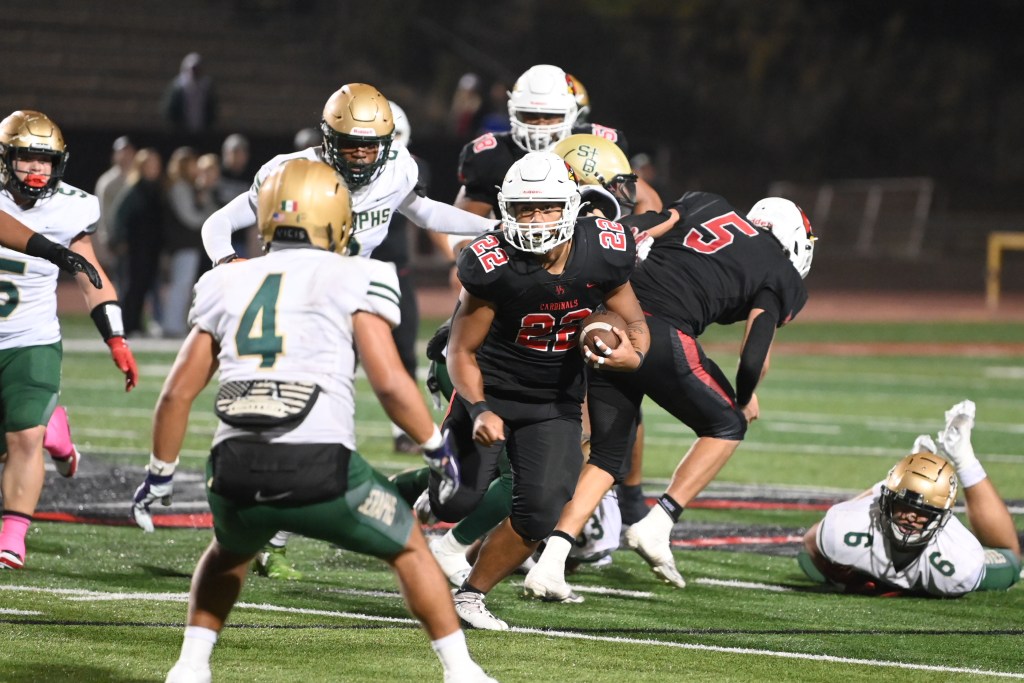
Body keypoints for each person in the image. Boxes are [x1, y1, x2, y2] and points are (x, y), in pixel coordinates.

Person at [129, 158, 495, 683]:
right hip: (319, 467)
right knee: (411, 549)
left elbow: (175, 394)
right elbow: (391, 383)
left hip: (232, 469)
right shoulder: (359, 274)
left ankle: (189, 666)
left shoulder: (224, 281)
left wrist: (160, 474)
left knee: (228, 551)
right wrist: (438, 450)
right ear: (338, 217)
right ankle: (462, 671)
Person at [200, 83, 495, 578]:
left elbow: (423, 211)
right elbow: (217, 224)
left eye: (370, 146)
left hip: (348, 299)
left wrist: (489, 227)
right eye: (350, 144)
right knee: (290, 414)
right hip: (299, 306)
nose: (360, 156)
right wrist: (227, 263)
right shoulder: (292, 172)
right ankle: (256, 529)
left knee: (336, 415)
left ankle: (271, 534)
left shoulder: (398, 167)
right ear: (327, 138)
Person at [522, 193, 815, 599]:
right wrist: (745, 396)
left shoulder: (708, 204)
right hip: (660, 331)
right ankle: (657, 525)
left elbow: (637, 227)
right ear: (796, 240)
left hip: (608, 319)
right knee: (728, 424)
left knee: (607, 456)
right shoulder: (780, 271)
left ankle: (550, 564)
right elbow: (753, 357)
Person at [437, 151, 650, 630]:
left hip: (553, 399)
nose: (535, 220)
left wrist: (632, 356)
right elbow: (461, 351)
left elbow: (634, 323)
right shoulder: (493, 262)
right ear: (505, 209)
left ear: (571, 206)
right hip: (491, 389)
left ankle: (470, 596)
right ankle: (428, 484)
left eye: (547, 207)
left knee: (541, 510)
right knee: (455, 502)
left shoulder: (603, 249)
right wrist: (479, 408)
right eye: (524, 209)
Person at [0, 110, 138, 570]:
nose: (37, 170)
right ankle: (55, 429)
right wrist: (51, 250)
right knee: (14, 440)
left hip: (30, 338)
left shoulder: (72, 206)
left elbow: (89, 275)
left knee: (24, 439)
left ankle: (12, 537)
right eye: (27, 159)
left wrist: (116, 338)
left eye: (46, 160)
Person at [799, 400, 1020, 597]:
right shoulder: (848, 529)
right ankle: (894, 481)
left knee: (1012, 563)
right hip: (881, 510)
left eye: (924, 511)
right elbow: (811, 544)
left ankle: (962, 456)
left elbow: (1009, 558)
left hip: (939, 555)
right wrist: (847, 581)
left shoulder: (960, 560)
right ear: (886, 502)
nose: (912, 516)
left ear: (943, 518)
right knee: (810, 562)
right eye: (904, 506)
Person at [454, 64, 663, 222]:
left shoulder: (592, 145)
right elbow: (463, 227)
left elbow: (647, 200)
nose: (540, 124)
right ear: (514, 112)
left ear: (571, 114)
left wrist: (631, 240)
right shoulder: (495, 154)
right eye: (531, 115)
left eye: (550, 115)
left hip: (587, 251)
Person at [162, 147, 218, 338]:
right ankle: (172, 326)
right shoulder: (180, 187)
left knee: (185, 285)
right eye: (193, 163)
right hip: (182, 243)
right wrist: (210, 219)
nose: (196, 167)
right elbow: (190, 217)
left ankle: (177, 325)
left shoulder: (189, 186)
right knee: (181, 285)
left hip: (188, 243)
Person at [113, 148, 165, 337]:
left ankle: (136, 324)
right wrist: (120, 240)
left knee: (144, 286)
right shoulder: (134, 188)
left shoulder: (157, 188)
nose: (154, 169)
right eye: (150, 165)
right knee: (131, 287)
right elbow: (120, 216)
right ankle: (126, 325)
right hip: (135, 247)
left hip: (151, 247)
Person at [93, 135, 136, 275]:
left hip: (138, 238)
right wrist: (108, 239)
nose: (126, 156)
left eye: (128, 152)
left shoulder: (138, 178)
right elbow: (102, 213)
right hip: (118, 240)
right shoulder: (107, 182)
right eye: (122, 152)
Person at [161, 52, 217, 135]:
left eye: (197, 69)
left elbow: (211, 108)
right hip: (182, 131)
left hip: (201, 129)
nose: (195, 72)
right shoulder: (177, 87)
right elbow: (169, 109)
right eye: (193, 69)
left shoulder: (206, 87)